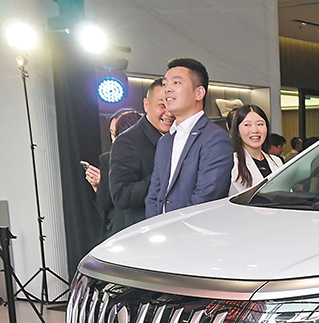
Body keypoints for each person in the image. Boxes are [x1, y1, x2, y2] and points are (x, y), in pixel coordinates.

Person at [145, 57, 233, 218]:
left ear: (199, 93)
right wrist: (154, 226)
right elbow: (154, 195)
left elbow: (207, 197)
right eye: (165, 84)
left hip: (193, 230)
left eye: (176, 83)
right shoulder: (165, 141)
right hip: (162, 229)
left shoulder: (215, 138)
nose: (167, 89)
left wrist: (175, 227)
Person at [106, 79, 175, 234]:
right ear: (146, 105)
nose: (169, 113)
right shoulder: (128, 141)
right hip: (145, 233)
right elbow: (121, 196)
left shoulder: (180, 136)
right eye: (162, 105)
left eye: (172, 104)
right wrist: (165, 177)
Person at [87, 108, 143, 236]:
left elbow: (105, 203)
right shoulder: (155, 151)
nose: (113, 139)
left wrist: (98, 186)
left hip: (120, 228)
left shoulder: (109, 159)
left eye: (115, 133)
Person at [230, 105, 283, 195]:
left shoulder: (277, 161)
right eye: (247, 125)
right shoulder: (232, 164)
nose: (255, 130)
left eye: (260, 124)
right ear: (237, 131)